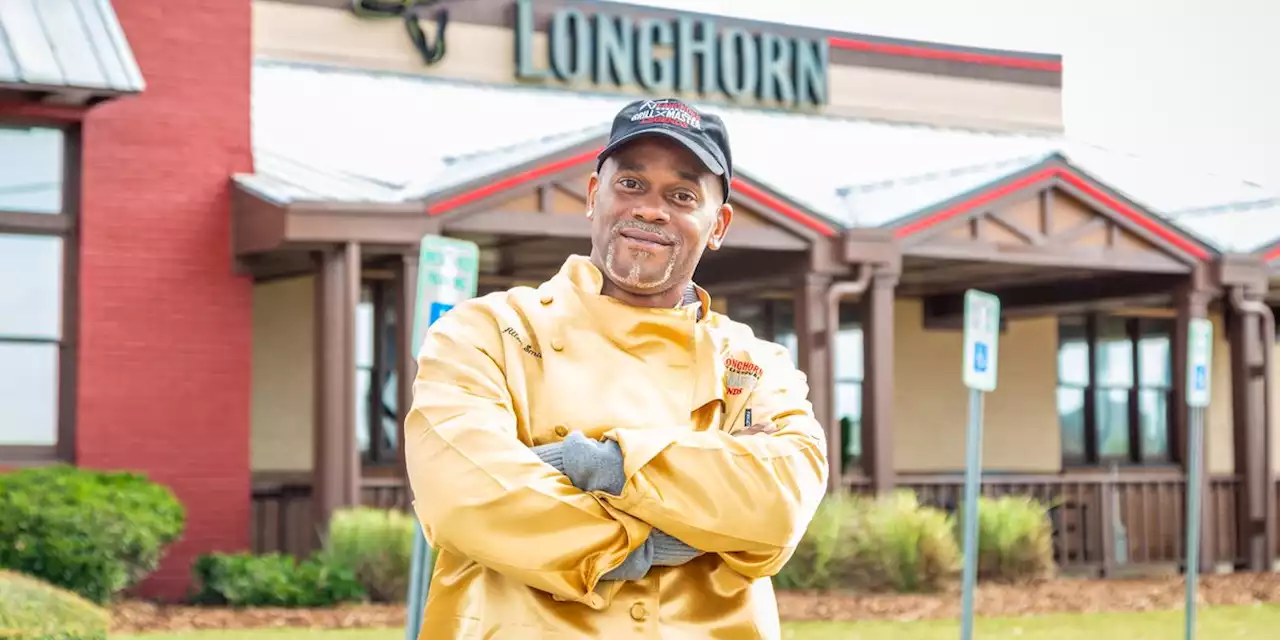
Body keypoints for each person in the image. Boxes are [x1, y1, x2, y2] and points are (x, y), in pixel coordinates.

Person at [403, 97, 830, 639]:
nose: (651, 210)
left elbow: (782, 500)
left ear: (718, 224)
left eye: (682, 195)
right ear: (592, 195)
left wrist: (593, 465)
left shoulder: (755, 364)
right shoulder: (487, 332)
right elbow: (466, 497)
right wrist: (670, 537)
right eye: (631, 184)